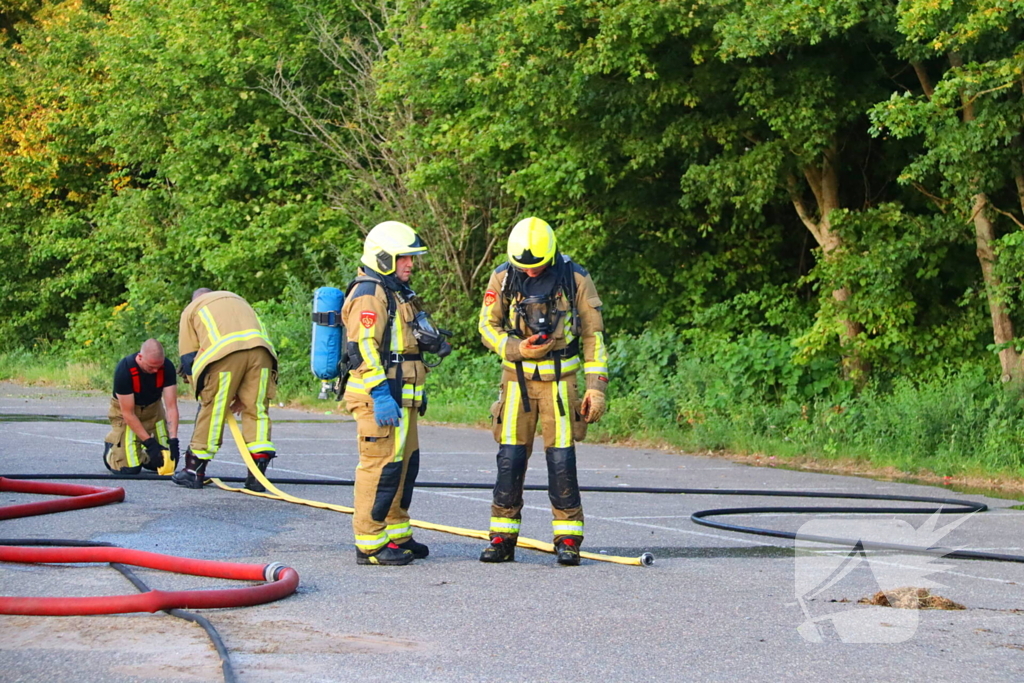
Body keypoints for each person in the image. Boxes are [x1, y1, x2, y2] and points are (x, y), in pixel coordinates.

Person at [477, 217, 609, 566]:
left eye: (536, 267)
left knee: (562, 462)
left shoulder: (575, 278)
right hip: (517, 383)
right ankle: (502, 538)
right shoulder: (503, 277)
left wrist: (597, 389)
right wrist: (517, 348)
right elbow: (486, 326)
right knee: (510, 460)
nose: (530, 273)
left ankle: (568, 539)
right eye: (525, 268)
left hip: (561, 386)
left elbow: (594, 336)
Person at [342, 221, 450, 566]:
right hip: (380, 398)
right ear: (385, 257)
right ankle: (370, 543)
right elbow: (364, 348)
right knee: (379, 467)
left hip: (403, 396)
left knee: (404, 467)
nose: (410, 264)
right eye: (404, 258)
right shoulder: (369, 293)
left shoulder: (396, 291)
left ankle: (396, 532)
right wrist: (381, 393)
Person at [173, 288, 278, 491]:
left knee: (213, 410)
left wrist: (202, 390)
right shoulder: (239, 299)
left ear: (196, 298)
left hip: (222, 356)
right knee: (256, 409)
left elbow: (188, 358)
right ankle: (257, 476)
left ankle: (193, 471)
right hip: (263, 353)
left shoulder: (192, 309)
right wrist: (242, 393)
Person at [103, 339, 180, 474]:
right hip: (128, 412)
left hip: (154, 409)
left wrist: (173, 440)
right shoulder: (125, 370)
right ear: (140, 357)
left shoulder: (166, 367)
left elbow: (171, 407)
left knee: (166, 463)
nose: (156, 370)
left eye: (158, 367)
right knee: (129, 469)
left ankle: (143, 456)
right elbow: (128, 414)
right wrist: (150, 443)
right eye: (151, 367)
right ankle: (112, 448)